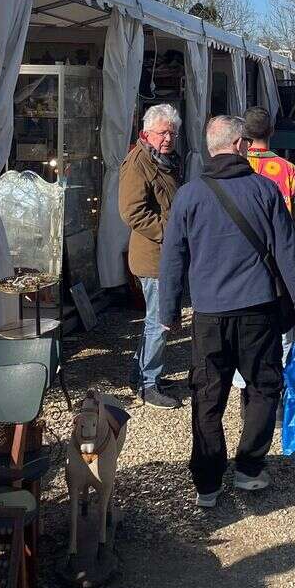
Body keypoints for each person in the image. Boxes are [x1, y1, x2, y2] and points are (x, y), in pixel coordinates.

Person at [160, 115, 295, 508]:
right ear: (240, 145)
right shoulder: (265, 192)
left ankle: (208, 483)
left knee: (208, 396)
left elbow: (173, 257)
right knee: (264, 387)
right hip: (257, 310)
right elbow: (289, 254)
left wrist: (169, 308)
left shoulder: (189, 195)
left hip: (209, 312)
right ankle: (248, 468)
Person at [119, 103, 184, 408]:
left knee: (155, 320)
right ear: (146, 133)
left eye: (172, 132)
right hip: (153, 255)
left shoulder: (165, 161)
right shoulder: (138, 163)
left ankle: (139, 373)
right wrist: (168, 233)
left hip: (165, 253)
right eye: (162, 132)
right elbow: (132, 211)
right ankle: (147, 383)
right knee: (160, 321)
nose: (168, 138)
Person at [244, 105, 295, 227]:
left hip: (243, 242)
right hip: (280, 241)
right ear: (272, 130)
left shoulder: (234, 166)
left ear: (244, 132)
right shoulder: (289, 169)